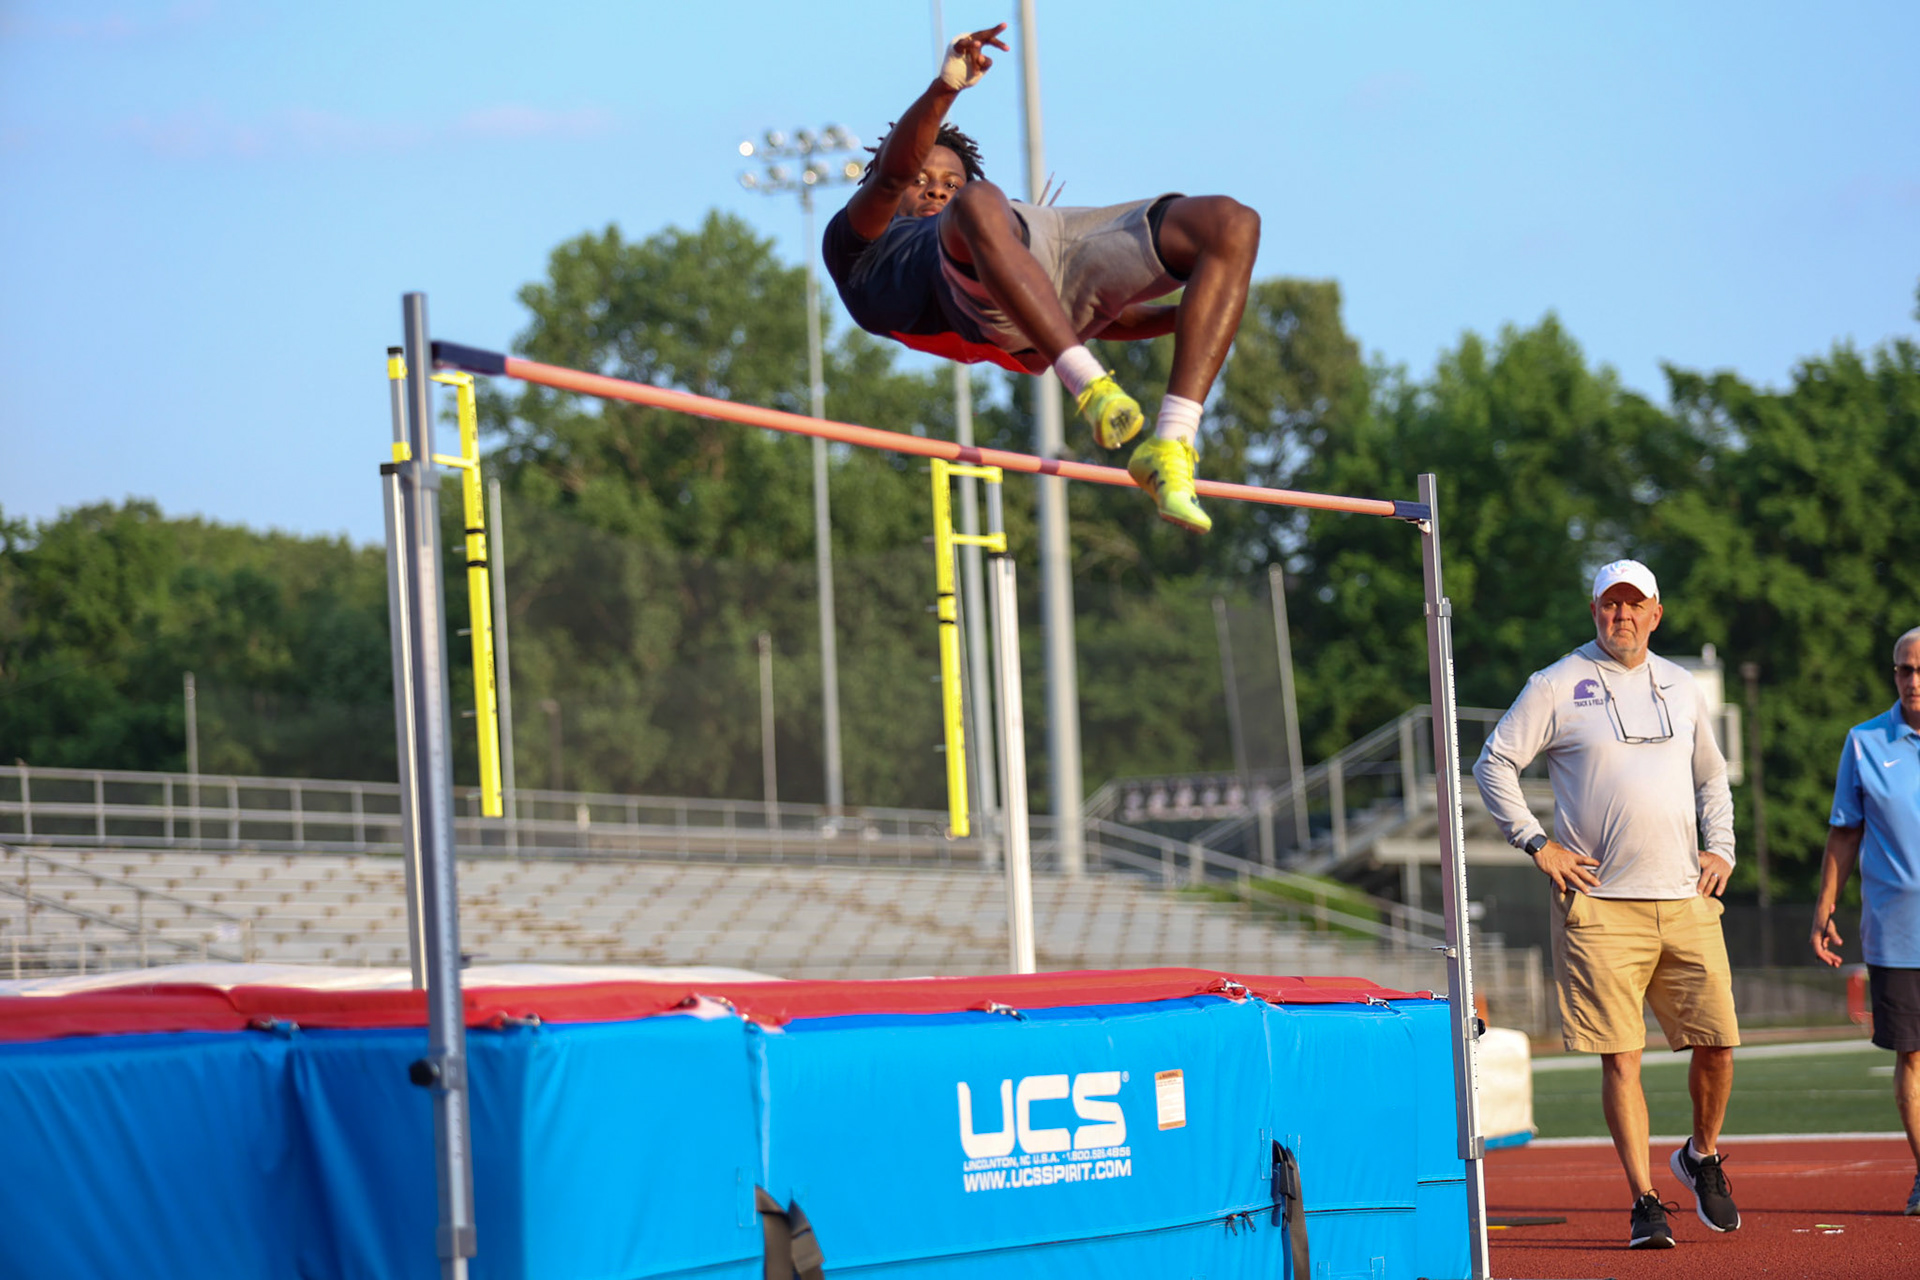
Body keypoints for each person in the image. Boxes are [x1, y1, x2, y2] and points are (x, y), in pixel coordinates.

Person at [821, 23, 1260, 535]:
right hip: (981, 306)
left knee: (1231, 224)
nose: (936, 191)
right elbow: (895, 176)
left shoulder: (987, 210)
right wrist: (946, 88)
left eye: (949, 181)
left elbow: (1100, 314)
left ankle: (1173, 443)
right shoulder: (857, 246)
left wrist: (1196, 316)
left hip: (1037, 240)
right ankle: (1091, 388)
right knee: (979, 204)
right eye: (923, 181)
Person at [1472, 559, 1741, 1250]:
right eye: (1609, 604)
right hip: (1601, 904)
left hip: (1686, 896)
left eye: (1634, 604)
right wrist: (1537, 843)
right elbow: (1493, 761)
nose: (1621, 615)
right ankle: (1645, 1201)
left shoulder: (1681, 687)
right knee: (1622, 1057)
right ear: (1594, 611)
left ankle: (1701, 1155)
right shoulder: (1557, 683)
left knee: (1718, 1043)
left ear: (1656, 612)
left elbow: (1712, 778)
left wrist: (1724, 848)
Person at [1811, 625, 1920, 1215]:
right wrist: (1826, 904)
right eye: (1905, 669)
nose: (1913, 681)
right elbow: (1845, 831)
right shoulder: (1864, 741)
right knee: (1913, 1056)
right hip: (1897, 932)